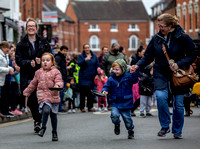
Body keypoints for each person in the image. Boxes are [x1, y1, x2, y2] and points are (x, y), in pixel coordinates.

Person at [131, 13, 197, 139]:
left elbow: (193, 54)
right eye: (158, 25)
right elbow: (148, 56)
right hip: (160, 71)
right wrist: (137, 66)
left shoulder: (182, 37)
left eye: (162, 26)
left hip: (178, 73)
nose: (159, 28)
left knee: (178, 104)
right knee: (161, 97)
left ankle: (177, 130)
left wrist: (179, 64)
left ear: (170, 26)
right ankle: (165, 125)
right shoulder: (156, 38)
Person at [16, 18, 51, 133]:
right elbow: (18, 59)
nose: (31, 28)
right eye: (29, 26)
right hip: (28, 75)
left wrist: (41, 60)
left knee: (40, 98)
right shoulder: (21, 44)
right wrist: (28, 62)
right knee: (31, 99)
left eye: (33, 26)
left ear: (36, 28)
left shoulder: (44, 42)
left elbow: (50, 56)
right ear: (26, 29)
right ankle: (37, 120)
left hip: (42, 74)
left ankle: (39, 118)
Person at [23, 53, 63, 141]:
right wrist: (27, 91)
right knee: (46, 110)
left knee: (53, 115)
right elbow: (33, 84)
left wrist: (57, 86)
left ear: (52, 62)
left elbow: (59, 81)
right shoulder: (38, 72)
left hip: (53, 95)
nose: (45, 62)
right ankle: (43, 128)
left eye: (47, 60)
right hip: (43, 96)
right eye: (43, 60)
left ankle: (54, 132)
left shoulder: (56, 72)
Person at [102, 59, 139, 139]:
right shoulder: (111, 78)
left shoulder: (128, 76)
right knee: (114, 115)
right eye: (114, 69)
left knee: (127, 119)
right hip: (115, 102)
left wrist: (135, 71)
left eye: (117, 69)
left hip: (126, 102)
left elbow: (135, 80)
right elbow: (106, 86)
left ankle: (130, 130)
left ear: (123, 69)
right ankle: (117, 124)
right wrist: (104, 91)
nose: (115, 71)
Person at [78, 43, 100, 112]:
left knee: (90, 93)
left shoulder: (94, 56)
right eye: (85, 48)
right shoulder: (81, 56)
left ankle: (90, 107)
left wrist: (97, 74)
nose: (87, 49)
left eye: (88, 47)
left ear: (89, 48)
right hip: (83, 77)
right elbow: (79, 64)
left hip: (91, 77)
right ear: (84, 49)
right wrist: (85, 60)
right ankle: (82, 107)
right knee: (83, 93)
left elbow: (97, 65)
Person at [0, 41, 14, 118]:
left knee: (3, 96)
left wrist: (11, 68)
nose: (8, 50)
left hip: (3, 79)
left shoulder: (5, 55)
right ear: (2, 48)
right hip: (1, 78)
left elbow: (6, 66)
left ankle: (3, 111)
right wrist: (8, 70)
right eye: (6, 48)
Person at [54, 45, 68, 112]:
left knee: (61, 94)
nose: (65, 52)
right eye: (64, 51)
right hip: (60, 79)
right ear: (60, 50)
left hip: (63, 78)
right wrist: (60, 77)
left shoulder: (62, 58)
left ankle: (60, 107)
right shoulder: (58, 57)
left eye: (66, 51)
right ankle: (59, 108)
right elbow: (56, 67)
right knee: (59, 94)